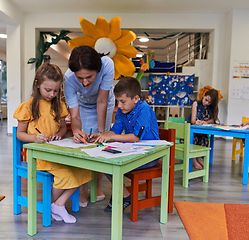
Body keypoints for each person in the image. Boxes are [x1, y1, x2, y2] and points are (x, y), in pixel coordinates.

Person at [13, 63, 92, 223]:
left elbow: (63, 128)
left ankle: (55, 205)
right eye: (47, 90)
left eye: (56, 91)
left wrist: (58, 134)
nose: (52, 94)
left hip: (56, 153)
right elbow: (20, 134)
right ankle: (55, 205)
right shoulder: (27, 107)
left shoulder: (59, 106)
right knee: (67, 175)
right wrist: (35, 138)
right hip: (38, 157)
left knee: (84, 170)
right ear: (37, 84)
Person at [90, 77, 160, 212]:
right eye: (117, 101)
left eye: (122, 101)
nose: (119, 106)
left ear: (135, 98)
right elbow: (115, 131)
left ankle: (123, 195)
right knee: (105, 162)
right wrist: (102, 135)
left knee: (114, 165)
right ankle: (126, 195)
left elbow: (135, 137)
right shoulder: (123, 111)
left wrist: (111, 137)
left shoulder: (144, 109)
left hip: (149, 155)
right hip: (133, 151)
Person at [64, 45, 115, 206]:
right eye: (80, 78)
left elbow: (101, 101)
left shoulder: (106, 64)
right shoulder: (68, 78)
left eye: (89, 77)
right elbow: (75, 115)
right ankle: (83, 187)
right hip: (83, 105)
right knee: (83, 142)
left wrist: (101, 132)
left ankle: (97, 186)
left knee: (99, 143)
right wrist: (76, 130)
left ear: (97, 70)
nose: (85, 82)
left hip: (103, 102)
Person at [187, 89, 219, 170]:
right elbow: (193, 121)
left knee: (204, 141)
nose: (206, 103)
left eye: (209, 102)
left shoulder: (210, 108)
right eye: (206, 100)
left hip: (201, 132)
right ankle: (194, 160)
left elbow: (213, 119)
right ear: (203, 95)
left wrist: (206, 122)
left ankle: (198, 157)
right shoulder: (196, 104)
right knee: (194, 141)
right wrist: (198, 121)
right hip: (191, 132)